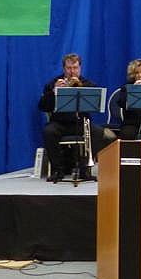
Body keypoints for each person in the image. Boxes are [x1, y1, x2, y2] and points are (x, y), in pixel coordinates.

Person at [38, 53, 115, 183]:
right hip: (59, 123)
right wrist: (54, 92)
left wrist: (81, 88)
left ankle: (85, 169)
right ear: (64, 68)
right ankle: (57, 170)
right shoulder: (53, 84)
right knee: (48, 132)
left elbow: (95, 105)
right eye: (69, 68)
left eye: (75, 68)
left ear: (80, 68)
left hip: (81, 122)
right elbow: (43, 106)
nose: (72, 71)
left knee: (98, 132)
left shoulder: (88, 84)